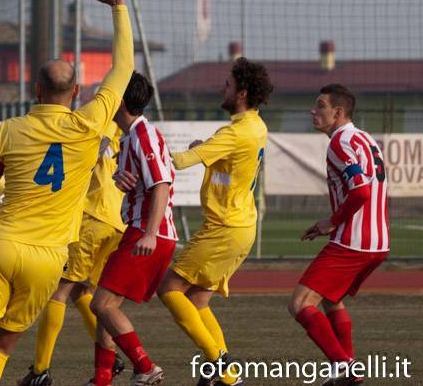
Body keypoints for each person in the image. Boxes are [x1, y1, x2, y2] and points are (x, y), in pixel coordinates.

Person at [0, 0, 134, 386]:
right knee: (3, 343)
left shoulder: (11, 129)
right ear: (78, 90)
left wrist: (1, 215)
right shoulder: (90, 124)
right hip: (49, 256)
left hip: (3, 242)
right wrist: (118, 9)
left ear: (35, 90)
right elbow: (124, 69)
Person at [143, 57, 272, 386]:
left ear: (241, 93)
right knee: (198, 300)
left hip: (224, 228)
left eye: (227, 85)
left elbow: (180, 161)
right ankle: (227, 377)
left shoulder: (234, 133)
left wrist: (143, 149)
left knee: (169, 289)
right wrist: (209, 151)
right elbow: (229, 161)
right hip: (241, 226)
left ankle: (218, 362)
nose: (222, 89)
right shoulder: (256, 126)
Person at [288, 85, 388, 386]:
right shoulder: (366, 139)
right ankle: (347, 368)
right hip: (378, 242)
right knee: (331, 300)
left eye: (320, 106)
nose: (313, 111)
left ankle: (344, 365)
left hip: (353, 242)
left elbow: (360, 191)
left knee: (300, 304)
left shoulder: (340, 143)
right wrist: (327, 224)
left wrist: (333, 221)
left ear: (338, 112)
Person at [17, 124, 127, 386]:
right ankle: (111, 361)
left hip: (93, 219)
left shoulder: (103, 126)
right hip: (117, 223)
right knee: (83, 292)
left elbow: (90, 156)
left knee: (59, 292)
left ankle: (40, 370)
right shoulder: (128, 131)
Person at [87, 72, 177, 386]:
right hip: (139, 230)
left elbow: (162, 185)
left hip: (149, 233)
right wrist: (119, 179)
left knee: (101, 304)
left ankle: (145, 366)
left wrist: (151, 233)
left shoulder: (143, 135)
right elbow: (144, 182)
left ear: (120, 101)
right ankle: (101, 378)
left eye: (108, 93)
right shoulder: (129, 138)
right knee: (104, 304)